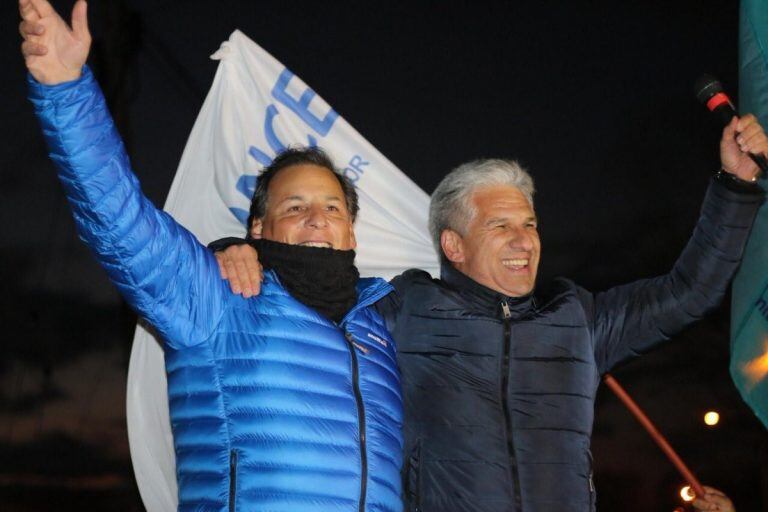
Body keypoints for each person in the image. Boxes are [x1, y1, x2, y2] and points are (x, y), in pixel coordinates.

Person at [211, 88, 767, 512]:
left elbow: (689, 290)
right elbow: (311, 287)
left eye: (529, 223)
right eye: (499, 225)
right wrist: (237, 249)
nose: (523, 240)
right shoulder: (401, 310)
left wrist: (736, 185)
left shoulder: (579, 320)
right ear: (453, 245)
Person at [19, 1, 404, 511]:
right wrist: (66, 90)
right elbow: (120, 221)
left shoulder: (382, 325)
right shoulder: (217, 294)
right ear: (259, 228)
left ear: (351, 234)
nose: (317, 218)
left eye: (332, 207)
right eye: (296, 205)